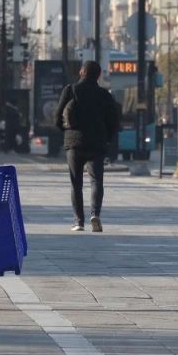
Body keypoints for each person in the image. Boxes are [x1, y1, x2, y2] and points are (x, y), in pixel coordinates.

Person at [54, 60, 120, 232]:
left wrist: (67, 132)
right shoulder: (104, 95)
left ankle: (78, 222)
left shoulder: (71, 90)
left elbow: (57, 116)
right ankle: (95, 214)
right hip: (97, 144)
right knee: (96, 180)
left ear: (81, 72)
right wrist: (107, 138)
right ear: (98, 76)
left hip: (74, 143)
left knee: (76, 183)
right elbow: (113, 121)